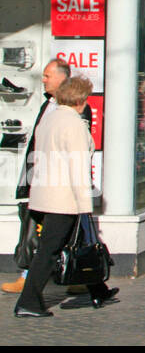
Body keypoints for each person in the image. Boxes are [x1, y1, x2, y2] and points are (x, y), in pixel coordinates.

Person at [14, 76, 117, 316]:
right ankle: (28, 302)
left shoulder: (49, 119)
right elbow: (77, 168)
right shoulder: (74, 125)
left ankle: (98, 288)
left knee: (80, 241)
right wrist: (84, 204)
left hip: (45, 195)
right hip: (64, 199)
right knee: (49, 250)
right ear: (81, 99)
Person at [5, 59, 91, 296]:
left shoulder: (64, 116)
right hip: (59, 193)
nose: (43, 80)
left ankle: (91, 283)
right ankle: (29, 298)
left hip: (53, 191)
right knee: (47, 245)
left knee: (60, 241)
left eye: (47, 75)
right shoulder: (59, 115)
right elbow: (74, 162)